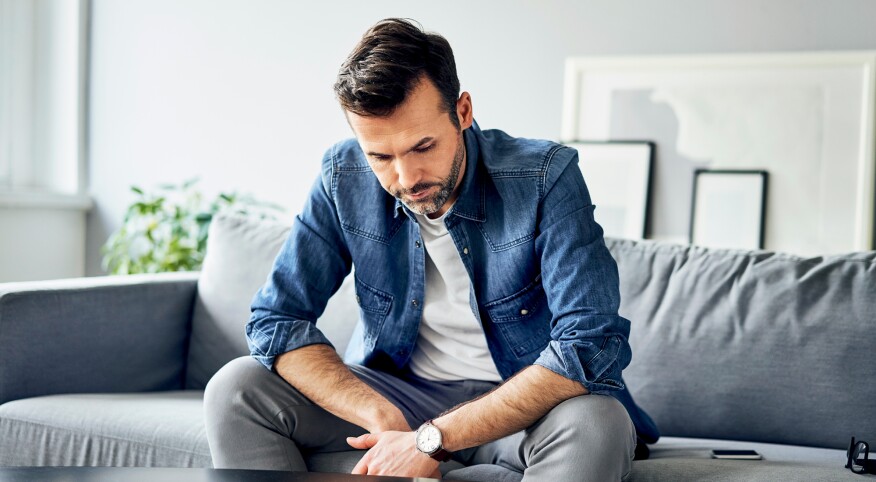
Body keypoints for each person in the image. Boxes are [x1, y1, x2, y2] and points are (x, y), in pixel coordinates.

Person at [204, 17, 659, 481]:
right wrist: (386, 421)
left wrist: (432, 439)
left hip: (523, 408)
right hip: (400, 396)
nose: (406, 178)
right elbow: (276, 320)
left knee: (598, 422)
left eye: (423, 146)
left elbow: (589, 346)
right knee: (237, 387)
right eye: (381, 156)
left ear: (462, 112)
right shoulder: (343, 176)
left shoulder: (545, 176)